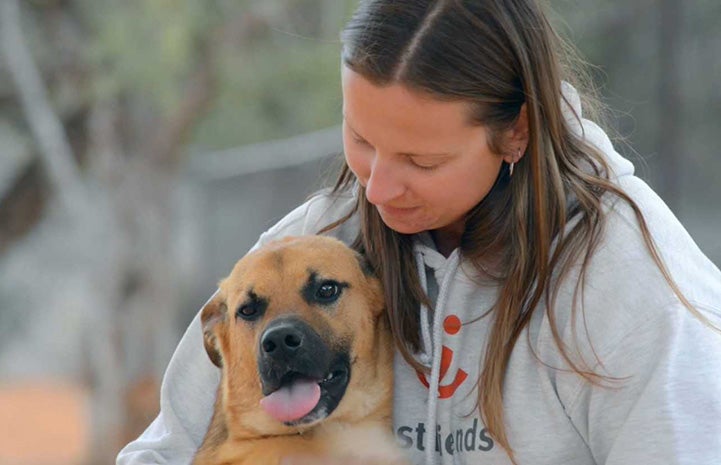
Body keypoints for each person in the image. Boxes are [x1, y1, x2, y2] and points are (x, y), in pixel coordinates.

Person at [117, 1, 721, 464]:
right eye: (360, 140)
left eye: (421, 162)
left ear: (516, 133)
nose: (375, 191)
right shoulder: (321, 243)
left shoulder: (631, 285)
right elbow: (163, 450)